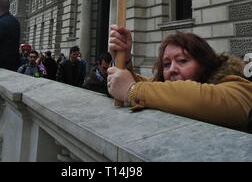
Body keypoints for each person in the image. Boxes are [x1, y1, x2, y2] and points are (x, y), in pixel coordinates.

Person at [108, 25, 252, 132]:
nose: (172, 70)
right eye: (166, 64)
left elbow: (203, 99)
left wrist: (132, 89)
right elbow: (153, 86)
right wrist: (125, 60)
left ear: (204, 63)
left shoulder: (237, 85)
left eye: (182, 61)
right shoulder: (165, 86)